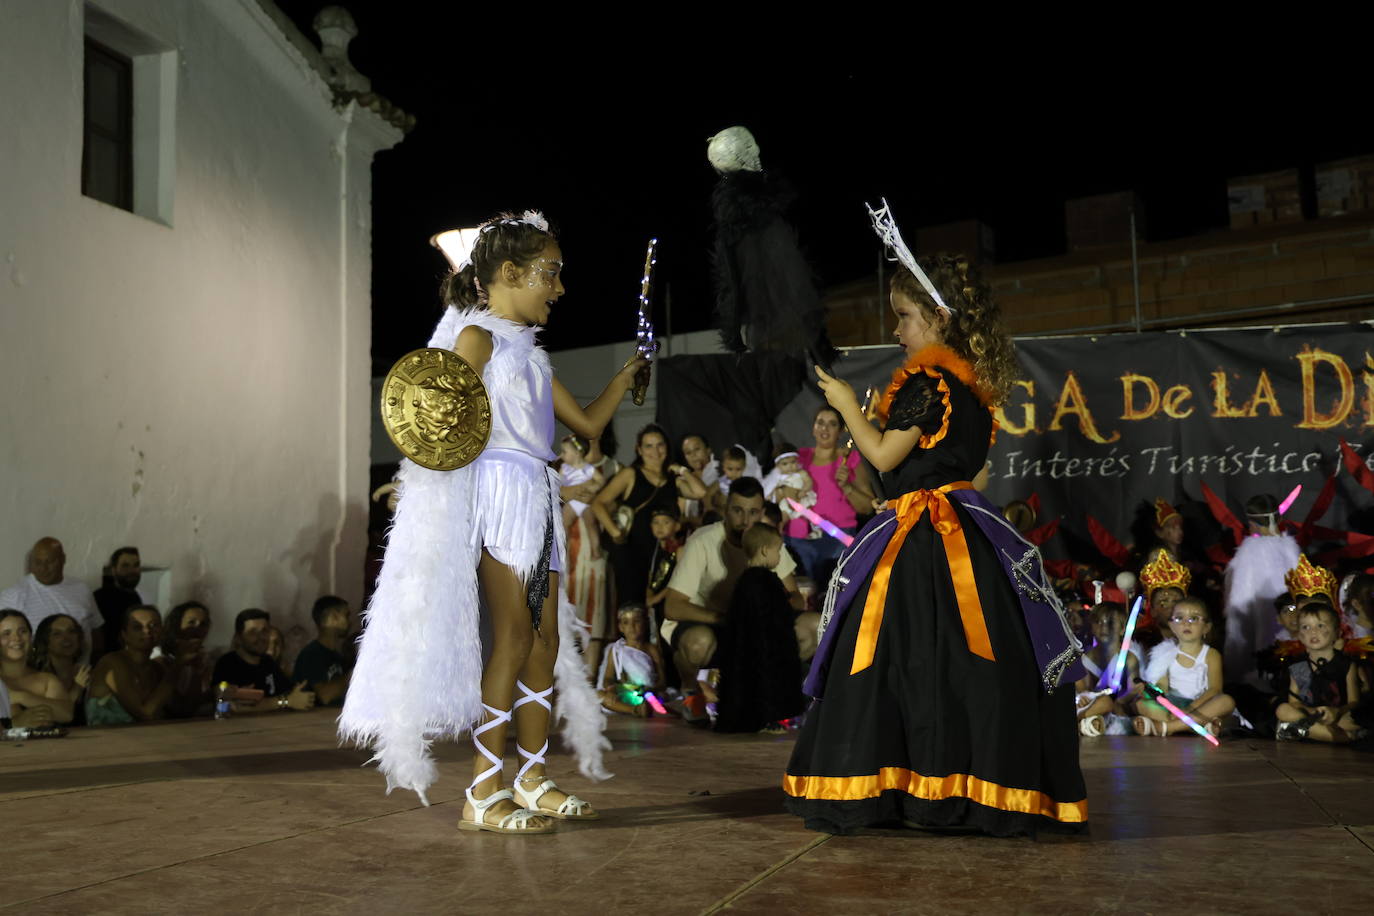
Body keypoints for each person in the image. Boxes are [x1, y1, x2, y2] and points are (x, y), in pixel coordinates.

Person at [339, 212, 647, 835]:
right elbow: (441, 413)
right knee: (510, 640)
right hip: (500, 496)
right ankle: (482, 789)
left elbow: (584, 427)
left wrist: (623, 377)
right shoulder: (477, 337)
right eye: (550, 274)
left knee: (546, 645)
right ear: (509, 273)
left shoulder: (530, 353)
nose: (559, 288)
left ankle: (531, 777)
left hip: (538, 494)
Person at [784, 240, 1086, 837]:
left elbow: (882, 454)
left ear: (938, 318)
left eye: (903, 316)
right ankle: (973, 788)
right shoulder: (973, 390)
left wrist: (846, 404)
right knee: (964, 665)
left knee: (904, 660)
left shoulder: (926, 382)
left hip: (924, 538)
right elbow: (972, 477)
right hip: (968, 527)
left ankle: (901, 786)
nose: (895, 330)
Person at [664, 478, 809, 707]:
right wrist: (728, 619)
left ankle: (773, 693)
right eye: (738, 510)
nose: (745, 520)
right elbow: (672, 606)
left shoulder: (765, 541)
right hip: (715, 627)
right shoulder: (703, 541)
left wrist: (768, 613)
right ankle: (690, 691)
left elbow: (797, 599)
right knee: (697, 643)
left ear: (761, 512)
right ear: (725, 509)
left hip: (757, 627)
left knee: (814, 625)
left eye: (753, 512)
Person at [593, 424, 707, 614]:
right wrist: (614, 531)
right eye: (648, 446)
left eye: (660, 445)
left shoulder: (672, 479)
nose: (655, 451)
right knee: (631, 606)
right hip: (631, 550)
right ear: (639, 449)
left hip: (661, 554)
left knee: (659, 607)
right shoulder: (630, 474)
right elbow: (599, 503)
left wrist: (682, 470)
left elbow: (700, 491)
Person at [715, 524, 805, 734]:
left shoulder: (744, 582)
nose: (780, 556)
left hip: (745, 651)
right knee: (764, 681)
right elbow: (776, 618)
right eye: (778, 550)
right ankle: (767, 717)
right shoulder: (766, 582)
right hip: (765, 652)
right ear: (765, 550)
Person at [782, 408, 876, 588]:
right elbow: (779, 492)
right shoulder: (798, 457)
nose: (824, 429)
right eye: (820, 422)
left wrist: (847, 487)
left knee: (830, 596)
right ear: (813, 427)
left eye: (832, 424)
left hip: (836, 541)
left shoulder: (850, 460)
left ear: (841, 431)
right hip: (798, 540)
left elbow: (868, 507)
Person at [1222, 494, 1302, 690]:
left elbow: (1239, 600)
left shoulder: (1250, 551)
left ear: (1253, 523)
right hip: (1291, 624)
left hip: (1257, 633)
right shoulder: (1291, 549)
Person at [1133, 598, 1234, 736]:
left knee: (1226, 701)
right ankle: (1198, 726)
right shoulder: (1165, 653)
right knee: (1141, 704)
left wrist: (1190, 709)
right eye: (1179, 618)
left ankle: (1168, 728)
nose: (1186, 623)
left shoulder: (1211, 654)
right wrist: (1148, 691)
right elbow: (1162, 687)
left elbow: (1215, 689)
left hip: (1201, 704)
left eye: (1193, 618)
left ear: (1206, 627)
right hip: (1173, 706)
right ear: (1172, 626)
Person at [0, 537, 102, 661]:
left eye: (50, 561)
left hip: (80, 674)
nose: (43, 568)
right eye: (38, 562)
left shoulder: (81, 589)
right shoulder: (13, 596)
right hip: (35, 676)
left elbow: (95, 628)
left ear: (63, 559)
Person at [1275, 603, 1361, 742]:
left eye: (1320, 626)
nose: (1313, 632)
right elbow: (1294, 702)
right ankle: (1337, 737)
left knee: (1353, 719)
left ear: (1337, 633)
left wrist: (1337, 712)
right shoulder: (1299, 667)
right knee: (1283, 710)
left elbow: (1354, 701)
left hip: (1338, 714)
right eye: (1306, 627)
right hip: (1311, 715)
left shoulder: (1345, 664)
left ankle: (1305, 732)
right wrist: (1313, 712)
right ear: (1300, 635)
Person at [212, 609, 315, 712]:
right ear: (239, 637)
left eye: (264, 631)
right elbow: (232, 707)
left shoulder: (268, 662)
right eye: (252, 632)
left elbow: (288, 692)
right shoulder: (227, 663)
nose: (260, 637)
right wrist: (286, 701)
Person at [85, 605, 174, 725]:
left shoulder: (157, 668)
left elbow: (181, 710)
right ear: (124, 634)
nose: (147, 631)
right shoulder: (113, 661)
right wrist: (177, 668)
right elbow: (146, 714)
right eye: (137, 627)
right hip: (107, 741)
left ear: (162, 631)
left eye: (153, 625)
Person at [1074, 602, 1141, 737]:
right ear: (1091, 627)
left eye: (1110, 622)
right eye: (1098, 622)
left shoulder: (1129, 658)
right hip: (1091, 709)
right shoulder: (1085, 658)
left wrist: (1122, 699)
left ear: (1122, 629)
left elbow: (1133, 690)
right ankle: (1080, 721)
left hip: (1115, 712)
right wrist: (1083, 697)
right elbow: (1081, 689)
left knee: (1107, 702)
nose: (1104, 627)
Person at [1, 609, 75, 726]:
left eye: (23, 631)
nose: (16, 638)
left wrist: (21, 697)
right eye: (6, 633)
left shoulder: (47, 680)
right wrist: (14, 722)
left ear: (31, 637)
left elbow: (67, 714)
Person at [597, 605, 664, 716]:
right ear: (620, 627)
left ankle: (641, 708)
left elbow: (662, 681)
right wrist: (611, 689)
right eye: (626, 622)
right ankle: (635, 710)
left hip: (647, 694)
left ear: (645, 624)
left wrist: (650, 689)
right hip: (626, 693)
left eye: (637, 621)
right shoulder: (616, 650)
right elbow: (607, 678)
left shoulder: (651, 649)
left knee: (659, 698)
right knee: (599, 695)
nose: (632, 626)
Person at [29, 613, 91, 725]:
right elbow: (52, 718)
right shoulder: (37, 676)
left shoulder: (83, 671)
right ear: (46, 641)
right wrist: (76, 689)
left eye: (71, 631)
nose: (67, 638)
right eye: (57, 634)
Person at [293, 596, 354, 707]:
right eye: (346, 615)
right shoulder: (311, 655)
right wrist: (355, 674)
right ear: (333, 618)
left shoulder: (337, 656)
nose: (350, 622)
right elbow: (325, 696)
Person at [161, 601, 214, 717]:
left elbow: (192, 704)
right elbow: (175, 708)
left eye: (203, 624)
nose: (198, 628)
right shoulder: (161, 657)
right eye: (191, 622)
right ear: (177, 625)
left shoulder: (201, 657)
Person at [93, 546, 145, 659]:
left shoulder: (135, 597)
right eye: (125, 565)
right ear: (114, 569)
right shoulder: (100, 597)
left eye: (136, 565)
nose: (132, 570)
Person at [558, 435, 603, 559]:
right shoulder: (564, 468)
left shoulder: (588, 468)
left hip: (585, 502)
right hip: (572, 502)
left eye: (564, 452)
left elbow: (600, 480)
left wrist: (594, 487)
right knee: (564, 524)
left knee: (591, 524)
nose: (561, 455)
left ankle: (595, 550)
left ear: (577, 453)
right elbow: (558, 483)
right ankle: (563, 550)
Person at [644, 505, 683, 631]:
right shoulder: (654, 550)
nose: (660, 527)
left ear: (677, 526)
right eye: (655, 522)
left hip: (669, 602)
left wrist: (657, 598)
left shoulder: (680, 551)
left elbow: (679, 581)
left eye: (666, 522)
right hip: (654, 604)